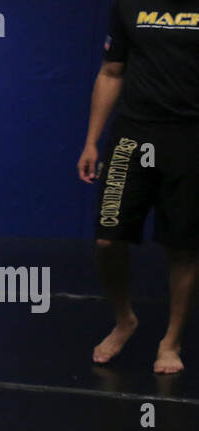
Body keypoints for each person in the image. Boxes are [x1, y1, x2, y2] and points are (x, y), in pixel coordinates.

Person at [78, 1, 199, 374]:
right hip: (133, 136)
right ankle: (124, 319)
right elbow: (112, 72)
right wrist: (91, 141)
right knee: (107, 238)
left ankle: (171, 341)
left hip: (191, 136)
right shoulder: (128, 4)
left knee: (184, 246)